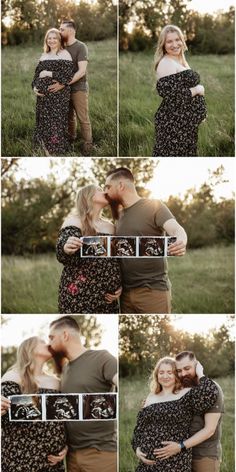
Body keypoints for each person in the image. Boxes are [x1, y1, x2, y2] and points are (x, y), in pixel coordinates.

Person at [104, 167, 187, 314]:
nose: (106, 192)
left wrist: (181, 239)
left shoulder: (154, 206)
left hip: (153, 292)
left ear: (121, 185)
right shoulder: (119, 216)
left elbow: (175, 228)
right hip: (125, 295)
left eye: (108, 187)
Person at [48, 316, 117, 472]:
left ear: (65, 335)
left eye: (52, 338)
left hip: (101, 455)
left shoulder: (102, 358)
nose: (49, 344)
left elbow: (122, 384)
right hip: (71, 457)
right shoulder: (65, 370)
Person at [131, 357, 218, 472]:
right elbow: (139, 428)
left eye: (169, 372)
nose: (165, 376)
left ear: (176, 375)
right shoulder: (151, 397)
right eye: (161, 372)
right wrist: (137, 448)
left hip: (175, 460)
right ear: (156, 375)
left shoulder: (186, 394)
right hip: (147, 464)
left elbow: (210, 394)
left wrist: (200, 373)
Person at [1, 336, 67, 472]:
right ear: (30, 348)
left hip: (52, 462)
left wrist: (66, 446)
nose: (48, 344)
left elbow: (64, 419)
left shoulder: (56, 382)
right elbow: (5, 416)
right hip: (20, 459)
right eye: (42, 342)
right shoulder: (13, 377)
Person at [56, 184, 122, 313]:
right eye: (99, 190)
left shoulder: (111, 227)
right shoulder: (75, 221)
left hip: (107, 299)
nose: (104, 192)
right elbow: (62, 248)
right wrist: (66, 247)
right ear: (89, 197)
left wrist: (121, 285)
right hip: (79, 295)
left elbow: (118, 259)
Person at [154, 351, 224, 472]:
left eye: (187, 368)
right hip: (179, 456)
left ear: (197, 366)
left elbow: (209, 430)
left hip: (203, 454)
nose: (183, 374)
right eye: (179, 371)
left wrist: (180, 446)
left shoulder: (212, 389)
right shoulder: (180, 389)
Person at [153, 24, 207, 157]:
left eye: (177, 40)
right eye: (169, 41)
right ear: (163, 44)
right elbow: (175, 97)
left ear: (182, 40)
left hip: (185, 124)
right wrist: (198, 89)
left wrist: (199, 112)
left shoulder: (179, 58)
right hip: (173, 125)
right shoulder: (166, 63)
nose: (175, 44)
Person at [48, 19, 93, 155]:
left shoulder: (80, 47)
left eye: (62, 29)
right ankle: (70, 139)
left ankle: (88, 144)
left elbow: (81, 71)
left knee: (83, 118)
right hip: (64, 89)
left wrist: (63, 83)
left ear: (71, 31)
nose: (59, 32)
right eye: (59, 29)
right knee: (68, 117)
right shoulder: (61, 47)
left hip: (78, 88)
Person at [32, 28, 74, 155]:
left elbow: (68, 76)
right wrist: (34, 87)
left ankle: (56, 147)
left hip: (58, 96)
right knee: (43, 121)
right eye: (49, 38)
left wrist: (48, 73)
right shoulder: (44, 55)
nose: (51, 40)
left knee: (56, 120)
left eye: (54, 38)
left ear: (59, 40)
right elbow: (36, 75)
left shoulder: (65, 54)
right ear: (46, 40)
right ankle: (43, 146)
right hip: (43, 97)